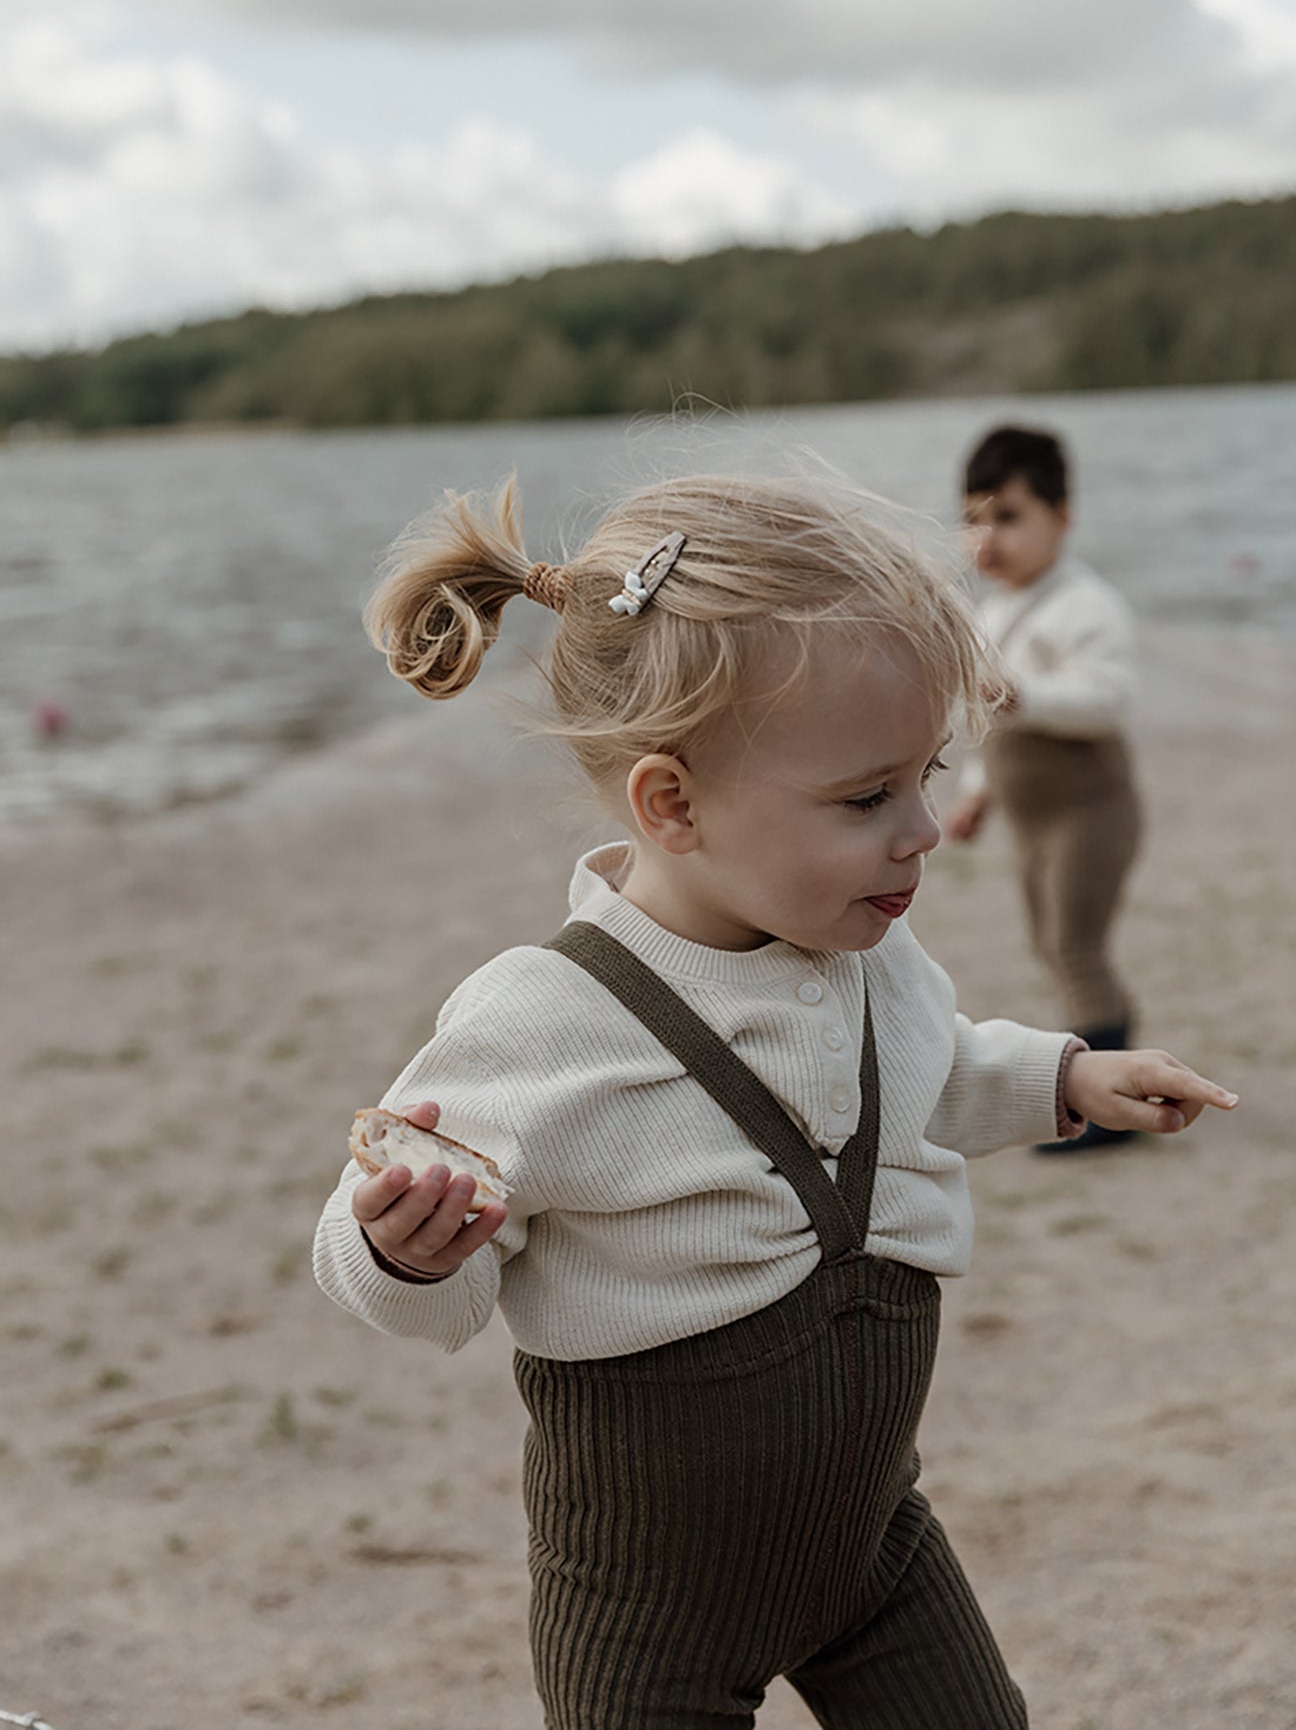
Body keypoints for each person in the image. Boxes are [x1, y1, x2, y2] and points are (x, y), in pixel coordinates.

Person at [314, 468, 1235, 1728]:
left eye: (927, 773)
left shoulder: (869, 954)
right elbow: (411, 1275)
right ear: (673, 802)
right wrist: (400, 1249)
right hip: (649, 1607)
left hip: (870, 1548)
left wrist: (1066, 1077)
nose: (920, 828)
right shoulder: (541, 1019)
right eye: (867, 797)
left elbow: (936, 1068)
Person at [946, 425, 1143, 1152]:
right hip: (1030, 816)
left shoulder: (1084, 606)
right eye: (973, 518)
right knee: (1049, 941)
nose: (987, 537)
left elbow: (1107, 700)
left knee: (1074, 940)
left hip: (1090, 810)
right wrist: (976, 790)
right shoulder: (995, 609)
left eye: (1008, 517)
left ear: (1062, 518)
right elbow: (993, 728)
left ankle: (1109, 1107)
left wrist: (1023, 691)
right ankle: (1107, 1072)